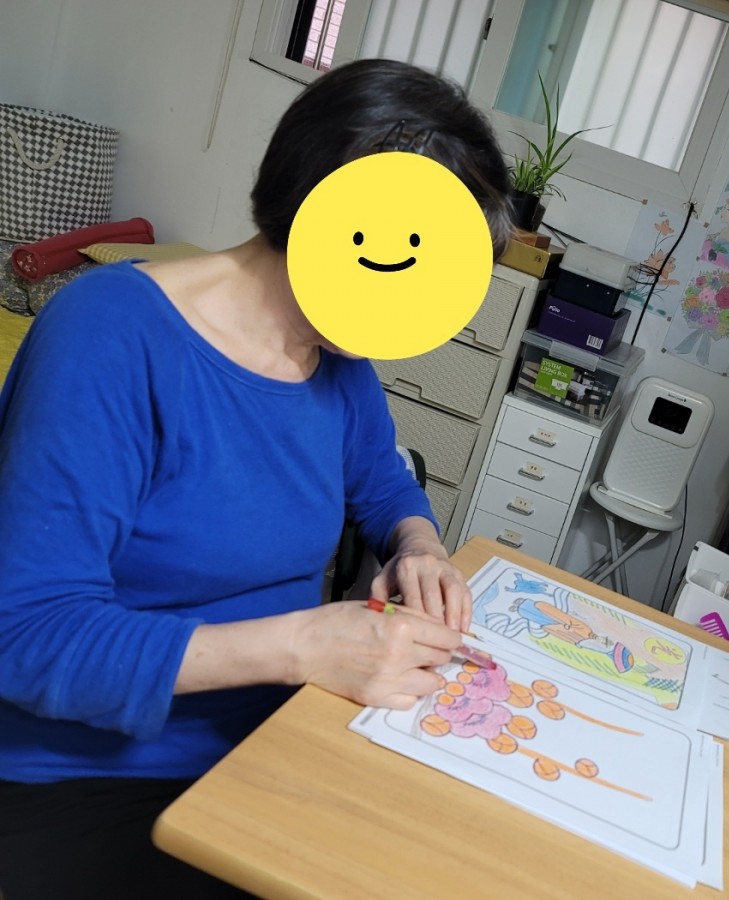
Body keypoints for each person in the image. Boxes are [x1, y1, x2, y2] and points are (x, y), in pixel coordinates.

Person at [0, 59, 512, 898]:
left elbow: (382, 480)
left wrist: (419, 546)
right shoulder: (109, 336)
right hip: (95, 778)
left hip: (276, 737)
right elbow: (25, 635)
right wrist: (303, 645)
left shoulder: (337, 349)